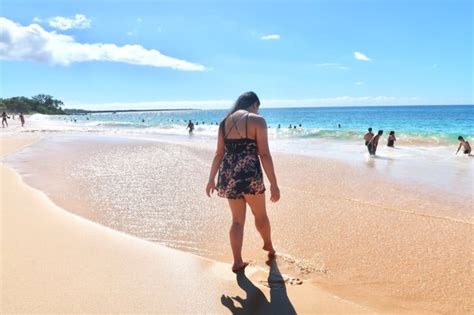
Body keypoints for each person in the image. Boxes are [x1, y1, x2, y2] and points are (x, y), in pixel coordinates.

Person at [206, 91, 279, 273]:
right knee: (260, 215)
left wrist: (211, 179)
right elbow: (264, 154)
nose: (258, 111)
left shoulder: (224, 123)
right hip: (249, 174)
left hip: (228, 174)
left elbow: (218, 154)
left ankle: (237, 261)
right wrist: (274, 183)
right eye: (258, 107)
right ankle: (268, 246)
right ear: (254, 104)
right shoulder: (257, 121)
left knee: (237, 221)